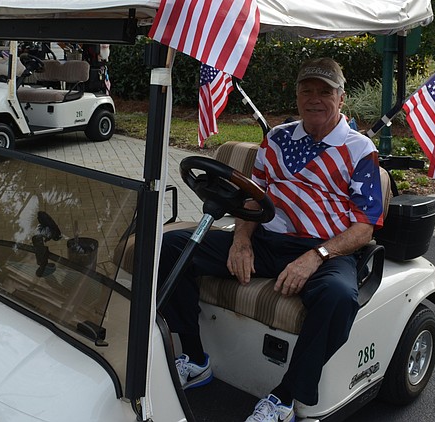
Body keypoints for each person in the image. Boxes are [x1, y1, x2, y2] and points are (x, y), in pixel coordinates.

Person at [158, 57, 385, 422]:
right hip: (266, 242)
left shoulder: (360, 150)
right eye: (306, 90)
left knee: (340, 297)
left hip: (326, 250)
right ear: (296, 97)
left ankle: (286, 396)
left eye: (324, 92)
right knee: (169, 249)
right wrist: (241, 242)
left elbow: (364, 228)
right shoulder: (277, 139)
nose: (314, 98)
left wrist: (317, 255)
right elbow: (253, 196)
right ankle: (196, 358)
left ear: (341, 99)